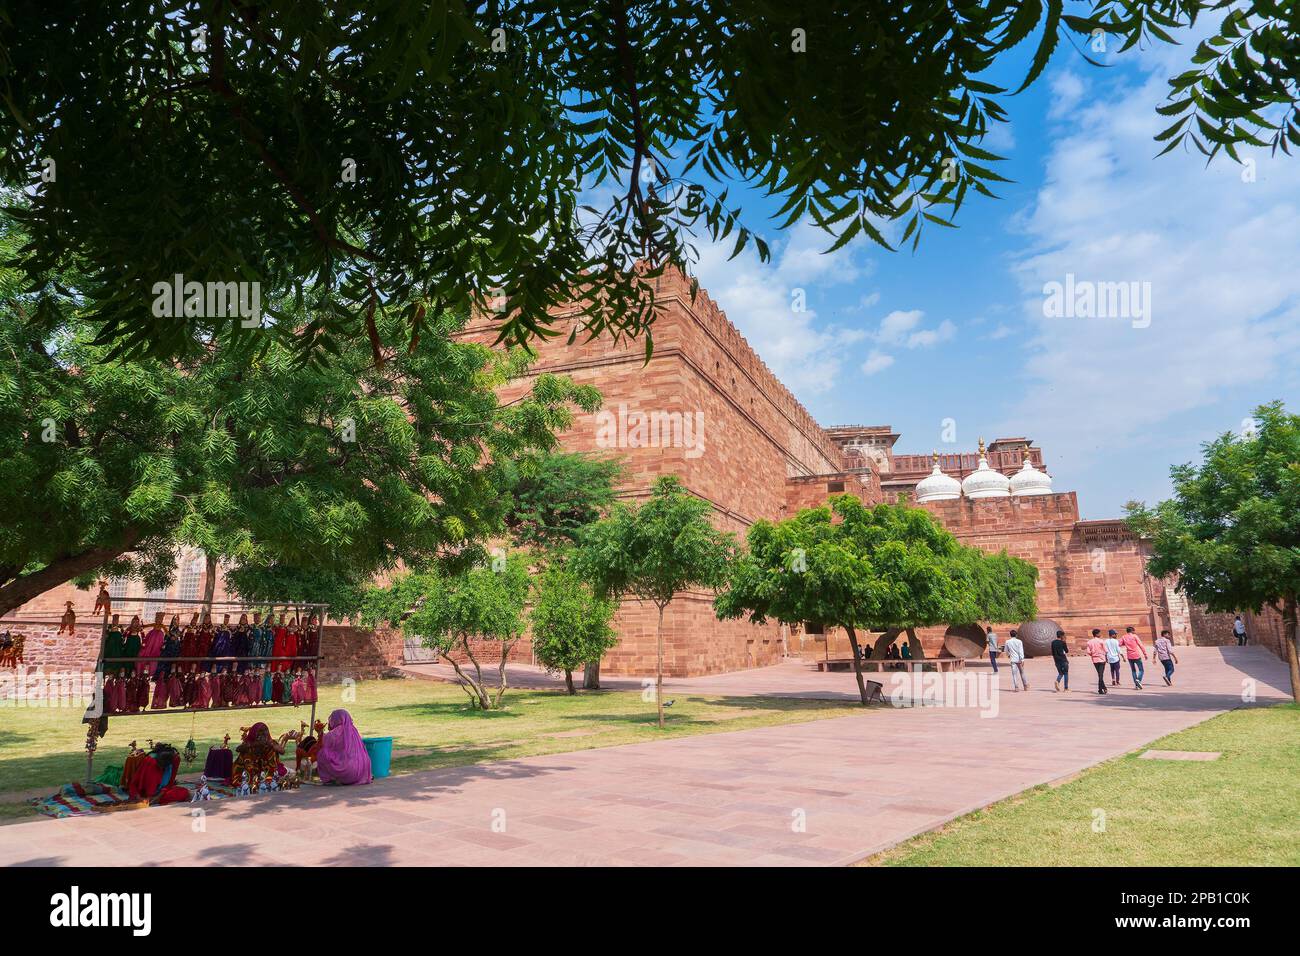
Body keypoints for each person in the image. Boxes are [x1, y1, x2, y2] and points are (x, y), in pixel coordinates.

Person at [312, 709, 372, 786]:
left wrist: (320, 732)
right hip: (362, 771)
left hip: (348, 772)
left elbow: (322, 743)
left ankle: (331, 778)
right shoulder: (354, 730)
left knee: (321, 753)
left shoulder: (336, 732)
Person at [1086, 629, 1108, 695]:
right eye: (1099, 633)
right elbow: (1106, 650)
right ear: (1096, 634)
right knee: (1100, 675)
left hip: (1095, 660)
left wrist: (1092, 654)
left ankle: (1103, 687)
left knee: (1099, 674)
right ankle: (1100, 689)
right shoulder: (1101, 641)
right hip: (1101, 659)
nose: (1100, 634)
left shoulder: (1089, 642)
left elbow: (1088, 652)